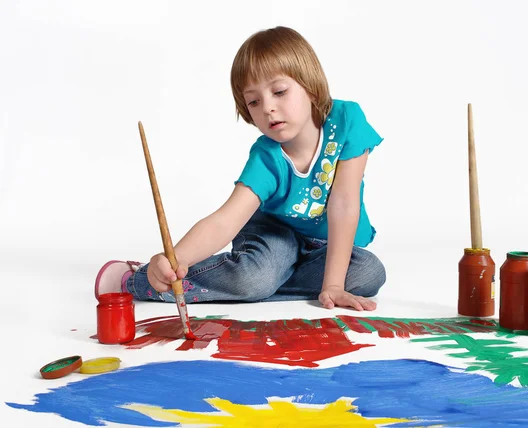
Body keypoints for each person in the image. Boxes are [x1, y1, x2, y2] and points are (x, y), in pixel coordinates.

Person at [95, 26, 385, 311]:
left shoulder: (347, 121)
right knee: (255, 277)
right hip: (274, 234)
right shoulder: (267, 156)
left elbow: (345, 203)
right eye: (254, 101)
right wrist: (176, 257)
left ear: (309, 86)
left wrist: (333, 284)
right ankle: (140, 280)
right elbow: (224, 221)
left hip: (324, 243)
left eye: (280, 91)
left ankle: (258, 285)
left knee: (369, 273)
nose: (267, 108)